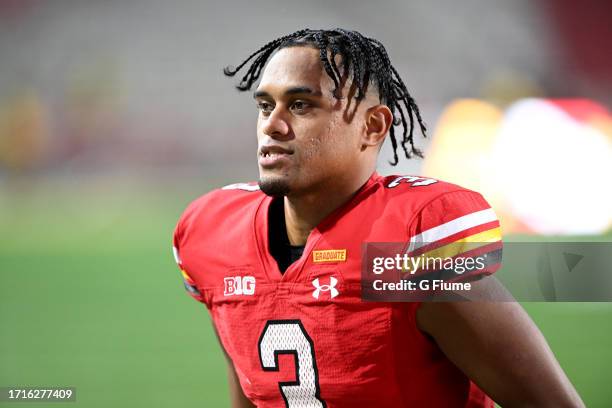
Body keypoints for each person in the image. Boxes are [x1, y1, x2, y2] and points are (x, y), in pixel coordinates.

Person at [172, 28, 583, 407]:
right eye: (265, 106)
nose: (272, 126)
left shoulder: (411, 244)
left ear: (372, 126)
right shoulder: (212, 233)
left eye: (300, 105)